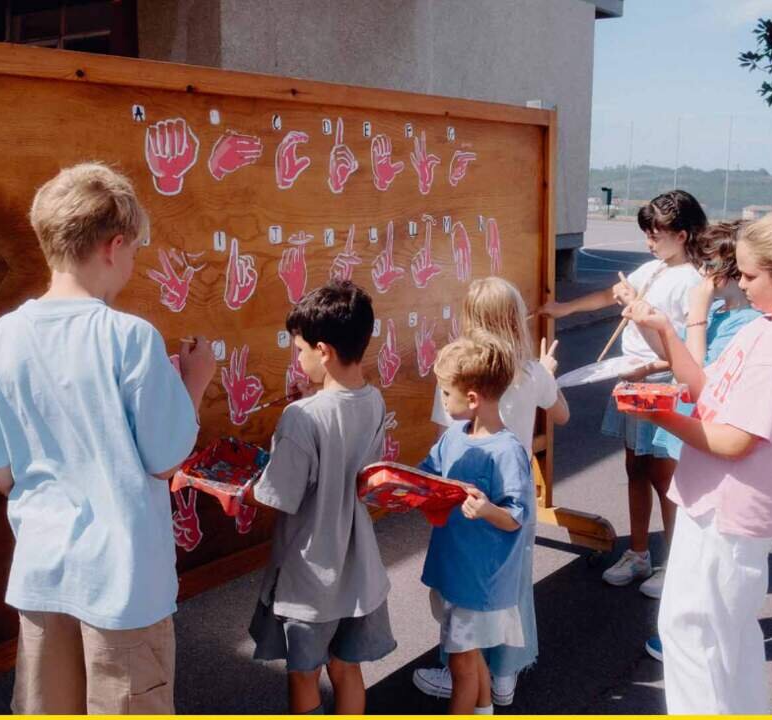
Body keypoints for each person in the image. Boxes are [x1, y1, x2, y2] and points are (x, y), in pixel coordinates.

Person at [0, 162, 216, 714]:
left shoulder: (2, 337)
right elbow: (165, 459)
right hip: (125, 581)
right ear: (115, 245)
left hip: (42, 571)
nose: (133, 261)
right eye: (135, 249)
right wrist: (194, 384)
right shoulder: (129, 338)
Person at [622, 208, 772, 713]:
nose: (742, 284)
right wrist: (665, 332)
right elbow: (712, 389)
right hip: (716, 503)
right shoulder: (771, 324)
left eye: (751, 276)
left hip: (729, 512)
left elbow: (734, 440)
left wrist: (659, 414)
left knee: (694, 634)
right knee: (722, 636)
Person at [540, 190, 706, 596]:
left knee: (664, 475)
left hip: (662, 385)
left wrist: (652, 358)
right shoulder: (651, 270)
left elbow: (682, 352)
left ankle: (675, 562)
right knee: (635, 468)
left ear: (682, 235)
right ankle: (638, 552)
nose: (650, 242)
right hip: (632, 379)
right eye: (648, 234)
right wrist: (562, 309)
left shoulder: (695, 282)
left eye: (656, 234)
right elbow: (608, 296)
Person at [414, 277, 569, 705]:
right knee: (508, 595)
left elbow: (443, 450)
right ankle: (503, 678)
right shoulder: (530, 372)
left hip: (479, 518)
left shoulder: (463, 378)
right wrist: (547, 377)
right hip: (489, 515)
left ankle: (465, 678)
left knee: (469, 613)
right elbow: (562, 415)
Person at [244, 280, 396, 715]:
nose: (298, 359)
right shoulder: (374, 400)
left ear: (324, 350)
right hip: (358, 568)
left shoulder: (300, 417)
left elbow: (277, 494)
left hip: (311, 577)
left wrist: (236, 490)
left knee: (304, 673)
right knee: (346, 669)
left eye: (300, 350)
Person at [633, 220, 762, 662]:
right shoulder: (729, 316)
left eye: (709, 268)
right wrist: (652, 365)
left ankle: (697, 642)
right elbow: (689, 358)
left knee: (707, 560)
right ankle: (693, 634)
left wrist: (695, 313)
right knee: (696, 554)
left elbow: (698, 383)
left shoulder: (739, 323)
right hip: (693, 446)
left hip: (706, 444)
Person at [419, 333, 534, 715]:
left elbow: (516, 517)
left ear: (472, 398)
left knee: (461, 664)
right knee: (469, 656)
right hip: (456, 569)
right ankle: (484, 709)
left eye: (445, 394)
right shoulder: (454, 436)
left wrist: (487, 510)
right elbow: (429, 475)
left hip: (479, 580)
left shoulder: (507, 450)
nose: (442, 400)